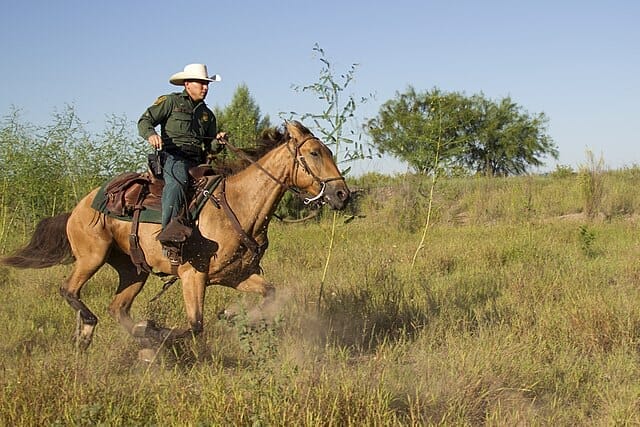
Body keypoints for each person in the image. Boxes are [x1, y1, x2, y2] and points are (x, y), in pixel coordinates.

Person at [138, 63, 226, 261]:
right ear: (187, 84)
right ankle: (169, 236)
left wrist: (218, 142)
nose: (205, 87)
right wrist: (151, 134)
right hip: (173, 157)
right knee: (177, 185)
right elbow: (145, 121)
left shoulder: (207, 115)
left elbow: (209, 147)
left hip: (197, 162)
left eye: (207, 84)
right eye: (201, 83)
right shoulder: (171, 102)